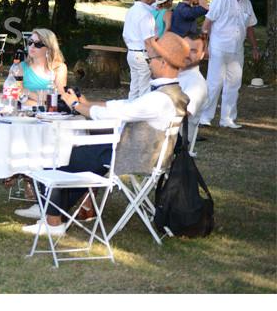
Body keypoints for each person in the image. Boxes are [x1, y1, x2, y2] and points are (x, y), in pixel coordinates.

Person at [17, 32, 190, 234]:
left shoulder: (159, 99)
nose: (148, 63)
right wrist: (86, 104)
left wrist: (76, 105)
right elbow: (125, 104)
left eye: (150, 59)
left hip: (130, 156)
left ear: (163, 62)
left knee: (60, 156)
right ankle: (55, 214)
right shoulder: (172, 93)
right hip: (143, 155)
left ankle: (53, 221)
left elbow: (117, 113)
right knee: (77, 156)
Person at [198, 0, 260, 130]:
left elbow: (250, 27)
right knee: (214, 83)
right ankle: (205, 117)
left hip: (237, 50)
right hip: (219, 48)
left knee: (234, 84)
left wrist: (254, 47)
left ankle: (227, 119)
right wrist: (204, 47)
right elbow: (206, 24)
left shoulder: (247, 3)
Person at [122, 0, 158, 99]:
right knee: (144, 90)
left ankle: (129, 115)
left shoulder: (131, 10)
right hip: (143, 55)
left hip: (132, 53)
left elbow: (125, 35)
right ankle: (142, 116)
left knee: (135, 88)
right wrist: (153, 59)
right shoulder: (146, 13)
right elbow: (148, 41)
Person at [178, 34, 209, 155]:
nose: (186, 54)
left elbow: (181, 115)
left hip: (172, 140)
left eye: (193, 51)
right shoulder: (171, 72)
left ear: (202, 55)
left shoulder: (196, 83)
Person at [20, 28, 68, 103]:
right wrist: (43, 98)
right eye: (30, 42)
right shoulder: (20, 67)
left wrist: (27, 92)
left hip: (50, 113)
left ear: (49, 48)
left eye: (38, 44)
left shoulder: (59, 68)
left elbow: (59, 96)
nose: (32, 46)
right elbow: (13, 91)